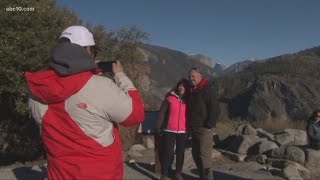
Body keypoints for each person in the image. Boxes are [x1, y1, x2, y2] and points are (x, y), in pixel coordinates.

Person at [25, 25, 144, 179]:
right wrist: (121, 76)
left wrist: (87, 71)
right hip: (99, 173)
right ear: (87, 50)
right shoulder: (100, 86)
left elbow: (68, 91)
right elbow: (136, 114)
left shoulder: (37, 89)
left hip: (59, 173)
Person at [187, 67, 220, 180]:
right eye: (190, 76)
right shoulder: (192, 90)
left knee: (205, 158)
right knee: (196, 156)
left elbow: (215, 108)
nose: (191, 78)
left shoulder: (207, 89)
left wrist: (209, 125)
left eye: (193, 76)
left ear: (200, 76)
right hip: (194, 129)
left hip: (204, 130)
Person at [155, 79, 190, 180]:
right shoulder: (169, 98)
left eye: (183, 86)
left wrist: (190, 129)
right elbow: (161, 113)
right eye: (180, 85)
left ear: (187, 88)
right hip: (169, 130)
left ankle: (178, 173)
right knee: (167, 153)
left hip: (183, 131)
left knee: (180, 153)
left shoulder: (188, 100)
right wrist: (158, 127)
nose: (181, 87)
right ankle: (164, 174)